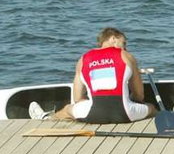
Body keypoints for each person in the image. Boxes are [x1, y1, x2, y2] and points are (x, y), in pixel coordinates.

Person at [29, 28, 159, 123]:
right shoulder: (126, 56)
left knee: (68, 109)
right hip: (125, 114)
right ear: (113, 38)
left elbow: (78, 97)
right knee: (151, 108)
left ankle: (47, 118)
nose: (125, 48)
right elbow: (139, 95)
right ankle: (172, 114)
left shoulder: (83, 59)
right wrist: (131, 99)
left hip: (92, 115)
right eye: (123, 43)